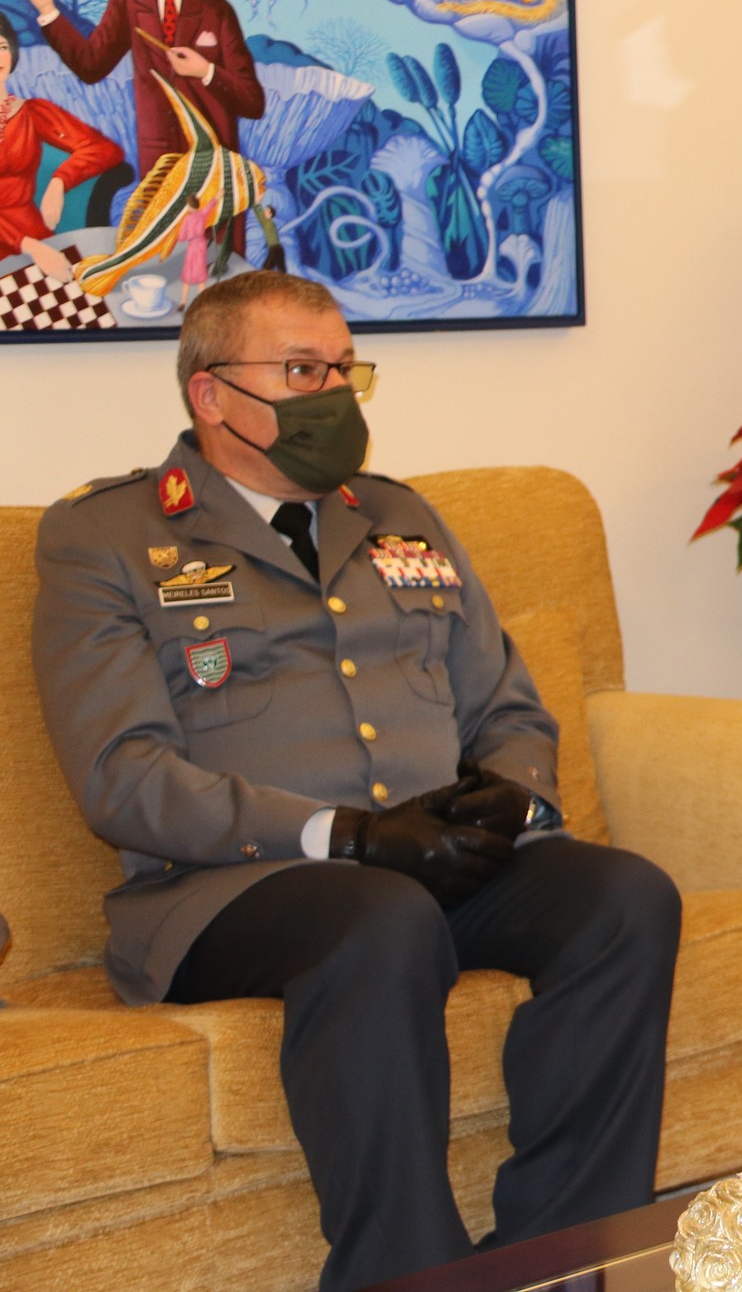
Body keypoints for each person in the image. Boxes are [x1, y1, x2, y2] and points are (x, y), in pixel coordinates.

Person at [31, 272, 681, 1292]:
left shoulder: (397, 516)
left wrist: (508, 796)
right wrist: (347, 836)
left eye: (344, 368)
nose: (334, 394)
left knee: (625, 897)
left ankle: (562, 1264)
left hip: (427, 860)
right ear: (211, 392)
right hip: (233, 888)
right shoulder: (107, 536)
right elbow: (124, 778)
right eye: (303, 371)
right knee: (380, 916)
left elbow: (508, 708)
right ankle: (408, 1275)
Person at [21, 0, 266, 255]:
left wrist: (206, 71)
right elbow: (91, 66)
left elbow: (253, 102)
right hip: (159, 159)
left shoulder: (216, 10)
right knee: (163, 256)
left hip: (213, 158)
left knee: (219, 259)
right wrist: (47, 10)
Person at [0, 13, 121, 258]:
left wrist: (59, 182)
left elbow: (104, 149)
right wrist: (28, 246)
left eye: (2, 47)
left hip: (32, 234)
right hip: (21, 244)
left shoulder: (32, 112)